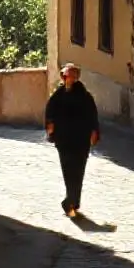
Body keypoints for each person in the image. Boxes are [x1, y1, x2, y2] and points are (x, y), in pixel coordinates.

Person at [43, 63, 100, 218]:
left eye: (72, 76)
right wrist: (50, 125)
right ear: (63, 77)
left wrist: (94, 131)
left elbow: (92, 115)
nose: (69, 79)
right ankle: (71, 201)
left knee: (78, 171)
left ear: (76, 77)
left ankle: (72, 201)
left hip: (81, 140)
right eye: (67, 76)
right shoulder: (58, 95)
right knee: (68, 171)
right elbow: (50, 112)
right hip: (64, 140)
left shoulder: (84, 95)